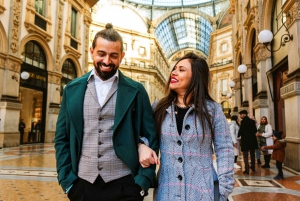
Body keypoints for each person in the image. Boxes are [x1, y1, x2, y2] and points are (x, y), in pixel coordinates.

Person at [54, 23, 159, 201]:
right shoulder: (72, 90)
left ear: (122, 57)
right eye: (101, 54)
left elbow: (151, 137)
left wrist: (142, 183)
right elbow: (62, 138)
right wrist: (67, 181)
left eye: (113, 56)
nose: (107, 61)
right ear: (92, 51)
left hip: (126, 185)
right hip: (82, 185)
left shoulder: (136, 91)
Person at [138, 53, 234, 200]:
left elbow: (225, 148)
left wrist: (224, 190)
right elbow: (147, 137)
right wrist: (142, 144)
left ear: (195, 76)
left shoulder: (212, 110)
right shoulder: (159, 108)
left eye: (181, 70)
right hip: (167, 192)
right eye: (174, 69)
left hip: (203, 192)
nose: (174, 73)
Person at [238, 110, 258, 174]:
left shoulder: (243, 122)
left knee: (245, 155)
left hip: (245, 141)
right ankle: (253, 167)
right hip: (252, 140)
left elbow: (241, 130)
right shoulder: (252, 121)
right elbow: (255, 130)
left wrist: (238, 135)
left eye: (241, 114)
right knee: (252, 154)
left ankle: (247, 169)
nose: (240, 116)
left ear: (244, 114)